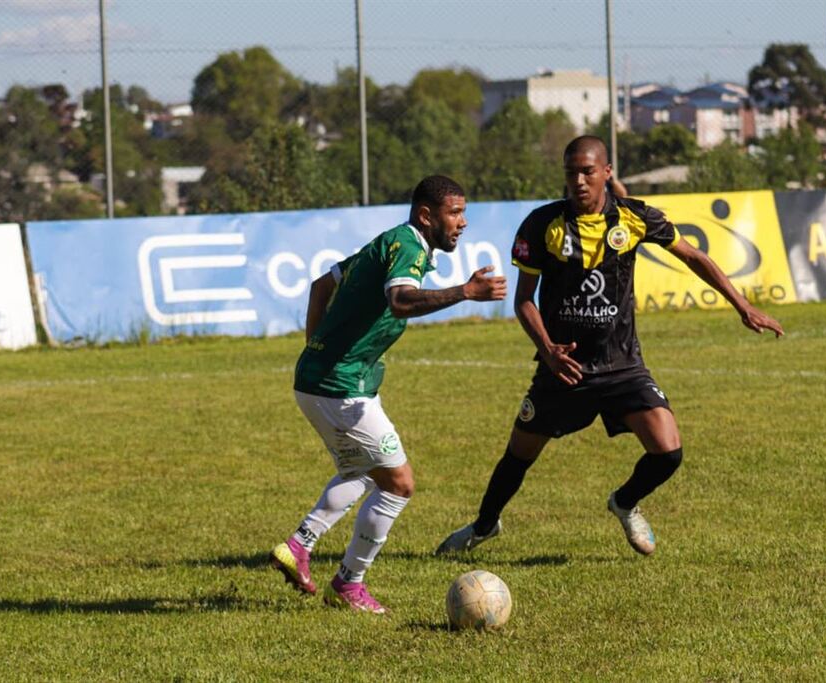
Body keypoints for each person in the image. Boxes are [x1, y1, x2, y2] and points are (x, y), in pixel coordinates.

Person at [435, 136, 783, 558]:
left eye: (586, 171)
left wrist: (742, 305)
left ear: (606, 173)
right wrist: (547, 350)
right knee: (519, 454)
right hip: (565, 367)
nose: (578, 181)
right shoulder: (542, 224)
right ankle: (484, 526)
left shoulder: (634, 218)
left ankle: (624, 501)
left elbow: (693, 257)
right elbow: (524, 299)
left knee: (668, 452)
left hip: (622, 364)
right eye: (570, 172)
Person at [271, 175, 508, 614]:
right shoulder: (411, 247)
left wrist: (317, 350)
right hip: (341, 389)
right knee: (398, 484)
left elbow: (320, 287)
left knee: (363, 472)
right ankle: (348, 584)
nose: (462, 223)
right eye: (454, 213)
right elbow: (401, 301)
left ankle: (299, 547)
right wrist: (466, 292)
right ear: (426, 215)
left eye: (463, 213)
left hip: (323, 380)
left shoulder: (387, 242)